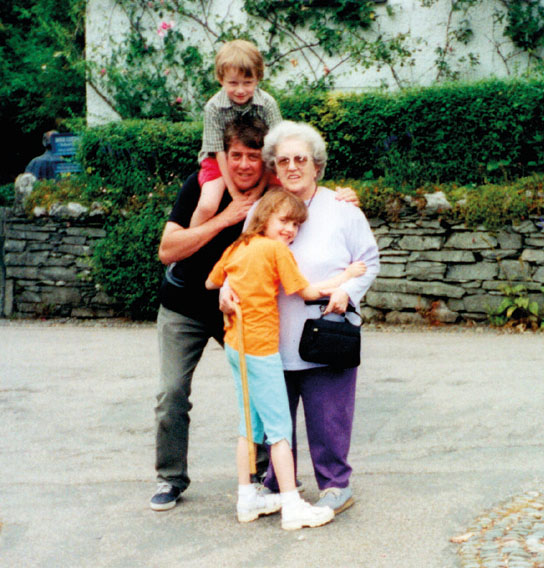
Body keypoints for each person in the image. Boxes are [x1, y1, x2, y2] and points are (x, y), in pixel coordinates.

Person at [222, 120, 380, 515]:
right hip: (271, 333)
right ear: (274, 166)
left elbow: (369, 260)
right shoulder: (261, 209)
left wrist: (346, 291)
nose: (293, 167)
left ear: (316, 165)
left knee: (329, 414)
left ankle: (335, 484)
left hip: (326, 327)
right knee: (276, 415)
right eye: (284, 160)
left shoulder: (342, 209)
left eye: (301, 159)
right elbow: (239, 259)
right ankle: (278, 486)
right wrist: (226, 289)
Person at [205, 188, 366, 530]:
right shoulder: (276, 250)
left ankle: (247, 497)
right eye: (284, 221)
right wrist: (347, 276)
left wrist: (231, 286)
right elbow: (307, 292)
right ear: (264, 218)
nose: (290, 230)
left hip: (235, 345)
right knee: (279, 430)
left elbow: (211, 281)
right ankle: (293, 505)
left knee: (249, 425)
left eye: (296, 224)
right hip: (262, 349)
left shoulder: (238, 247)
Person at [150, 116, 268, 511]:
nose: (245, 164)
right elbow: (168, 250)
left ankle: (265, 474)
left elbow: (310, 202)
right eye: (236, 155)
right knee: (171, 393)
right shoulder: (200, 186)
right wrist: (226, 217)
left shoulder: (272, 193)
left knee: (261, 386)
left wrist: (344, 197)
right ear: (224, 155)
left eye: (254, 156)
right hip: (183, 305)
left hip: (236, 307)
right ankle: (170, 478)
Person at [190, 39, 282, 228]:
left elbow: (275, 149)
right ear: (221, 79)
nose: (240, 90)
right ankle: (187, 248)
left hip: (262, 160)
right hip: (219, 160)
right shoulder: (213, 107)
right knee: (208, 205)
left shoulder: (268, 104)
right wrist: (234, 194)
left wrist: (258, 190)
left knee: (278, 201)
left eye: (247, 83)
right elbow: (217, 151)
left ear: (258, 78)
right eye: (233, 83)